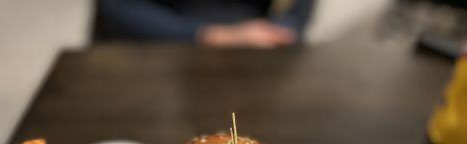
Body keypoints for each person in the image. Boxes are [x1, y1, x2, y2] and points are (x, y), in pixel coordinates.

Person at [96, 0, 315, 48]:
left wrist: (279, 30)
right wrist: (213, 35)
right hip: (165, 41)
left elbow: (296, 11)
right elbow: (117, 7)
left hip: (254, 50)